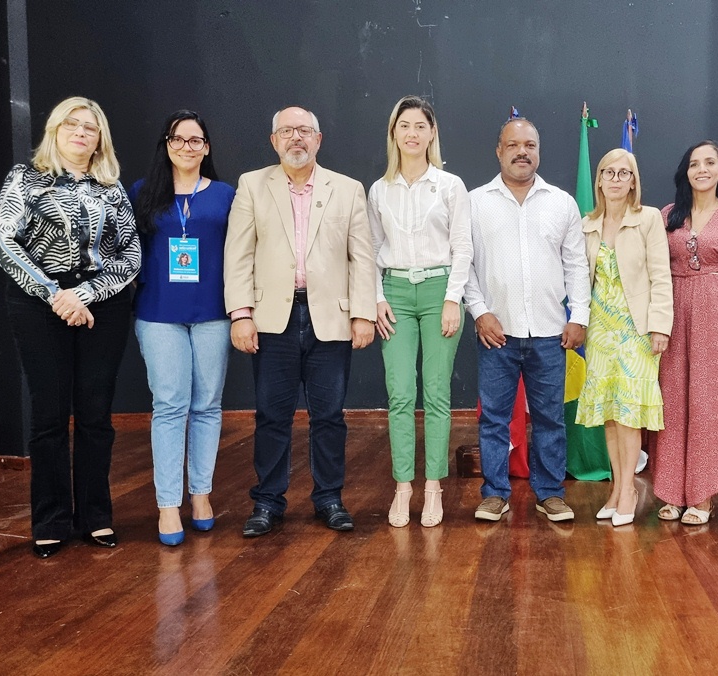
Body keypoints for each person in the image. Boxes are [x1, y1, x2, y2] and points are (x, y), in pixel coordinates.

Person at [0, 96, 140, 558]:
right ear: (56, 129)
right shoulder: (25, 178)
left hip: (103, 304)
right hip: (39, 304)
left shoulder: (111, 189)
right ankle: (51, 519)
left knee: (96, 415)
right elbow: (5, 243)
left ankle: (96, 516)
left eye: (90, 128)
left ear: (100, 140)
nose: (80, 133)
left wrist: (86, 294)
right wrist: (56, 295)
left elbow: (130, 253)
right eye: (72, 124)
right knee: (50, 414)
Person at [224, 106, 377, 537]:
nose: (296, 138)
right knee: (272, 415)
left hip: (331, 317)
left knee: (329, 415)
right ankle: (268, 502)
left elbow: (361, 258)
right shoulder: (252, 186)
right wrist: (241, 314)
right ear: (274, 141)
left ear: (318, 139)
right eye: (287, 131)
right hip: (272, 317)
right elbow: (239, 255)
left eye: (304, 131)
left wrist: (363, 313)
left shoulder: (347, 190)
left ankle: (329, 498)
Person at [466, 117, 591, 523]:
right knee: (495, 419)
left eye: (530, 145)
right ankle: (495, 493)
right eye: (514, 144)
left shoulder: (562, 202)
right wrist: (479, 311)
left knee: (551, 419)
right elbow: (462, 264)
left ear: (538, 150)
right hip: (495, 333)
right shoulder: (474, 202)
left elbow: (576, 265)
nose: (523, 151)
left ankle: (550, 493)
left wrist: (579, 316)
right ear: (498, 150)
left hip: (551, 333)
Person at [129, 110, 235, 546]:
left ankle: (202, 496)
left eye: (196, 140)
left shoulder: (227, 195)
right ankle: (168, 504)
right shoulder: (142, 193)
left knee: (208, 404)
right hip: (158, 314)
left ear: (207, 147)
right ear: (166, 145)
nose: (187, 147)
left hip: (213, 313)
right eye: (179, 139)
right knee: (171, 404)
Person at [369, 96, 472, 528]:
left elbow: (462, 246)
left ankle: (433, 487)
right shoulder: (379, 189)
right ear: (394, 133)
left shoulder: (450, 186)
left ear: (432, 133)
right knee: (399, 393)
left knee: (435, 392)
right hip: (393, 291)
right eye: (404, 125)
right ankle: (402, 487)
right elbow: (371, 249)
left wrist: (452, 298)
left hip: (438, 290)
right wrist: (376, 297)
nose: (412, 133)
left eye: (420, 125)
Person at [650, 140, 718, 526]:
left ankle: (703, 493)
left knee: (709, 400)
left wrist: (709, 289)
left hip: (714, 309)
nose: (702, 169)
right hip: (672, 308)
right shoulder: (668, 214)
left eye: (710, 162)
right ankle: (672, 491)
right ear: (686, 172)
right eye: (694, 163)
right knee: (672, 397)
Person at [575, 148, 672, 527]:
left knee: (629, 413)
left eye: (624, 173)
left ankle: (630, 488)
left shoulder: (647, 219)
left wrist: (660, 325)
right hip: (600, 329)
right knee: (610, 415)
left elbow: (661, 275)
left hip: (636, 328)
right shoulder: (587, 223)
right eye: (609, 172)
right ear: (598, 179)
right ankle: (615, 488)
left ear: (634, 181)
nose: (616, 179)